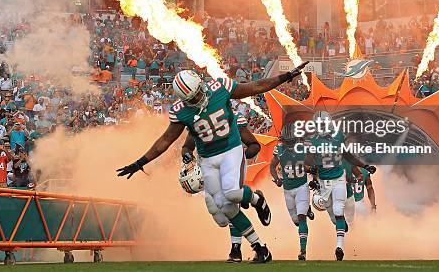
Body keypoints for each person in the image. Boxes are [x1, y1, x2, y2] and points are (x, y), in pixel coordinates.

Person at [116, 63, 309, 263]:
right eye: (193, 98)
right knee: (224, 210)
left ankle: (257, 199)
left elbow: (256, 86)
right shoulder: (181, 112)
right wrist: (140, 162)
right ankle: (260, 248)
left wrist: (285, 76)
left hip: (230, 149)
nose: (199, 99)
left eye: (198, 93)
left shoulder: (220, 88)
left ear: (201, 84)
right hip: (207, 158)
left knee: (232, 192)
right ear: (184, 100)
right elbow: (165, 141)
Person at [181, 112, 260, 263]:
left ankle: (236, 250)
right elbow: (186, 147)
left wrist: (240, 155)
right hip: (210, 170)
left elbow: (255, 145)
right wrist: (187, 155)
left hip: (229, 167)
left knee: (230, 206)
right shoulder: (196, 119)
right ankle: (249, 196)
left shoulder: (231, 116)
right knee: (220, 217)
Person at [304, 112, 376, 261]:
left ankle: (339, 246)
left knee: (338, 210)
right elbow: (307, 163)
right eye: (320, 125)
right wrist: (311, 170)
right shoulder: (312, 141)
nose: (322, 127)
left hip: (338, 179)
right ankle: (341, 226)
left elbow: (347, 155)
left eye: (324, 124)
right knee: (332, 214)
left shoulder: (338, 137)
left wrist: (365, 166)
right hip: (323, 183)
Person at [269, 134, 314, 261]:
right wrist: (277, 179)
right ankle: (307, 209)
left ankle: (303, 251)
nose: (288, 145)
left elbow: (312, 164)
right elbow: (272, 166)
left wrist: (309, 165)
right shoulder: (279, 149)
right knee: (296, 222)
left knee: (301, 217)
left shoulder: (304, 148)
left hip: (301, 186)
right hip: (287, 190)